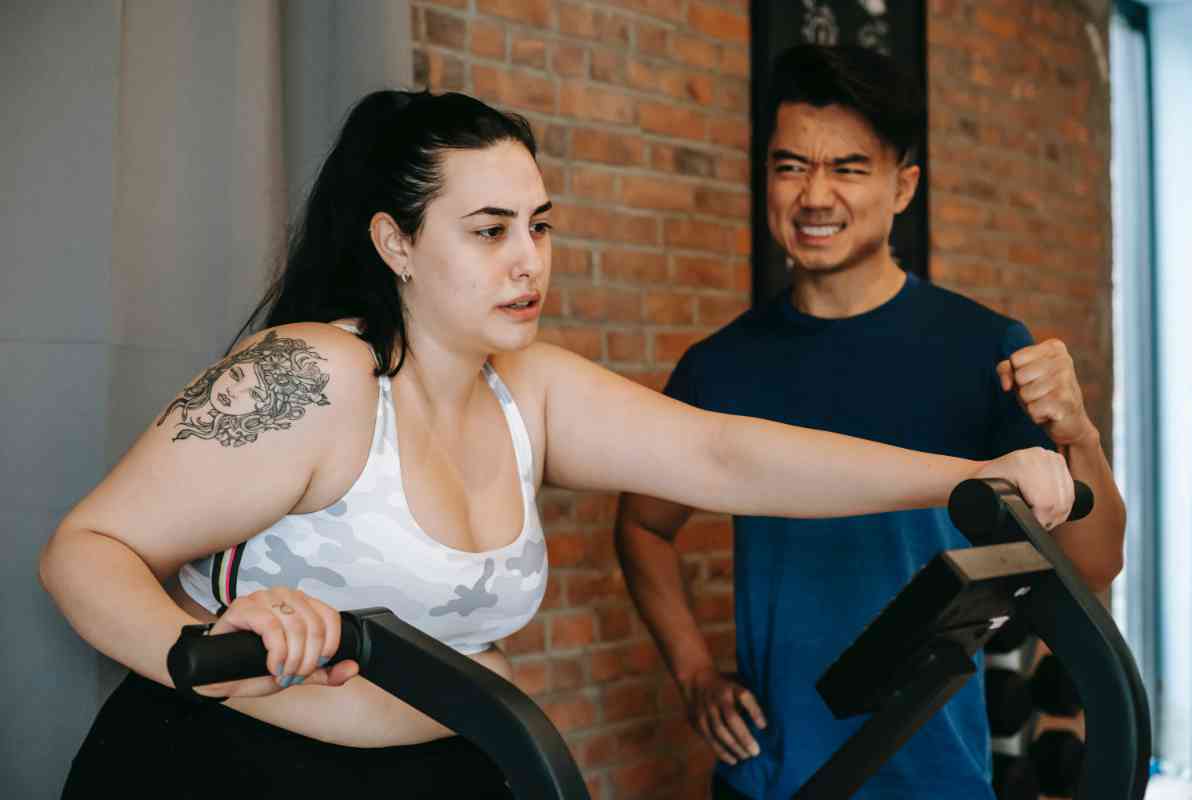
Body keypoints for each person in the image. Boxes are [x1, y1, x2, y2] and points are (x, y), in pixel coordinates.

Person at [40, 89, 1078, 799]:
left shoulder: (524, 388)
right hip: (221, 769)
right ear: (395, 242)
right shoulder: (312, 375)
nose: (528, 260)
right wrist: (202, 643)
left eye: (540, 225)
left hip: (450, 770)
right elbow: (82, 550)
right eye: (488, 230)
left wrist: (969, 477)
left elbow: (727, 458)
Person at [613, 44, 1127, 800]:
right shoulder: (721, 366)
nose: (814, 195)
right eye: (790, 166)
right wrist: (694, 671)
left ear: (903, 186)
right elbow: (642, 527)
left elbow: (1093, 563)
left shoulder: (982, 349)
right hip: (777, 775)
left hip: (936, 773)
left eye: (848, 168)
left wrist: (1078, 433)